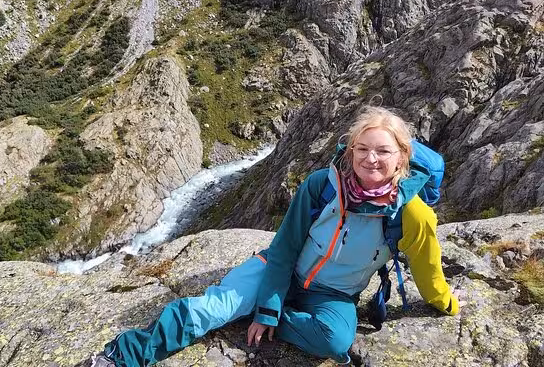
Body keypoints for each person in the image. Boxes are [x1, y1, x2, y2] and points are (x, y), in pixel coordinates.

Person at [90, 106, 460, 367]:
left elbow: (426, 266)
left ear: (401, 158)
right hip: (278, 269)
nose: (371, 159)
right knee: (208, 311)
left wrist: (444, 301)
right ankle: (120, 356)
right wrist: (270, 300)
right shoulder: (323, 186)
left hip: (332, 294)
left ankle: (257, 310)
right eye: (362, 149)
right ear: (350, 152)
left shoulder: (411, 214)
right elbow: (285, 245)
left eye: (383, 151)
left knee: (335, 342)